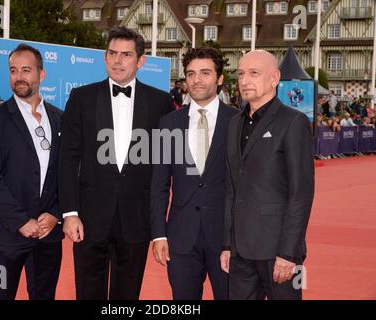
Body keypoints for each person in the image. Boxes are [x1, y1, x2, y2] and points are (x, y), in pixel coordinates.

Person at [58, 26, 174, 300]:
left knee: (127, 295)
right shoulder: (81, 98)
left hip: (136, 218)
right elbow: (67, 158)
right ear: (104, 56)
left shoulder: (161, 102)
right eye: (112, 53)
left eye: (126, 54)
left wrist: (160, 225)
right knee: (88, 292)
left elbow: (166, 164)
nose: (117, 60)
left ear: (141, 60)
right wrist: (69, 213)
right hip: (88, 219)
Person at [220, 50, 314, 300]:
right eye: (240, 74)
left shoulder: (294, 122)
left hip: (279, 251)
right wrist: (228, 244)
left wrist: (289, 252)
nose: (244, 80)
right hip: (240, 251)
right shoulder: (234, 123)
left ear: (274, 78)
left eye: (253, 73)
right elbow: (231, 188)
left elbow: (300, 193)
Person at [150, 48, 238, 300]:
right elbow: (159, 184)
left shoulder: (237, 121)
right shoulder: (168, 123)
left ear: (220, 79)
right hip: (180, 238)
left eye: (205, 73)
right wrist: (158, 234)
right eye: (191, 74)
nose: (197, 80)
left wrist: (238, 238)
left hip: (227, 238)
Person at [0, 44, 63, 300]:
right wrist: (20, 222)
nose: (19, 77)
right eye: (13, 70)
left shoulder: (61, 119)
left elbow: (69, 173)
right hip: (6, 238)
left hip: (48, 235)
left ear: (42, 74)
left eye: (26, 70)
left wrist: (56, 214)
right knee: (0, 294)